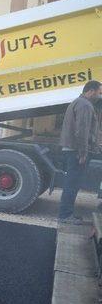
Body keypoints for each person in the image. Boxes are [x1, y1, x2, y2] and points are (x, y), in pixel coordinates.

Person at [58, 80, 102, 224]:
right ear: (91, 91)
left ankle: (66, 214)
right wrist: (83, 153)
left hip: (73, 150)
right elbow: (82, 131)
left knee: (72, 183)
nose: (100, 95)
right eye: (99, 92)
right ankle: (65, 216)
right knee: (72, 184)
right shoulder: (85, 105)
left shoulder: (78, 102)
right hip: (77, 151)